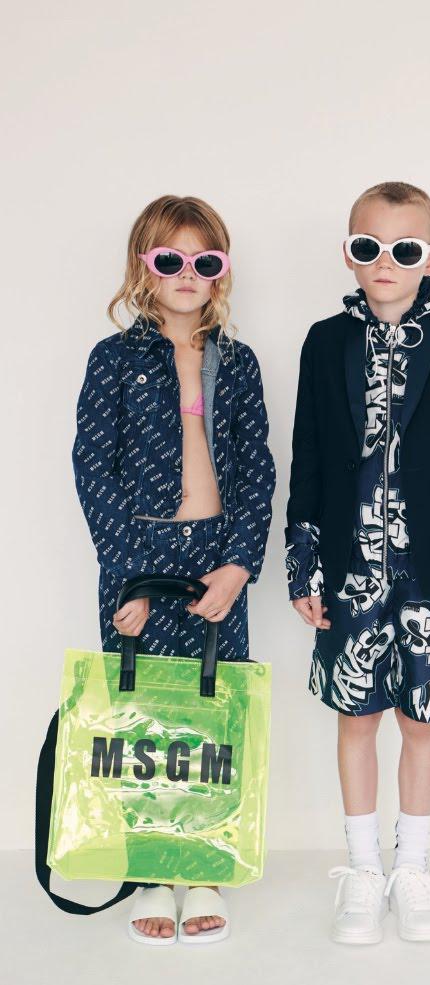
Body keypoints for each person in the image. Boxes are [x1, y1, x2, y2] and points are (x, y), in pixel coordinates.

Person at [285, 181, 430, 945]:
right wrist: (304, 562)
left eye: (404, 249)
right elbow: (307, 455)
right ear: (348, 254)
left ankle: (412, 868)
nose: (385, 262)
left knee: (420, 720)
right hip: (348, 570)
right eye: (367, 246)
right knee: (356, 717)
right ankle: (362, 868)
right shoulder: (324, 342)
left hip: (429, 574)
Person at [72, 194, 276, 944]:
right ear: (143, 267)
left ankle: (203, 865)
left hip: (216, 556)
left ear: (221, 271)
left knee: (210, 710)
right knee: (143, 714)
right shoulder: (114, 358)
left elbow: (258, 469)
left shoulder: (238, 361)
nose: (187, 273)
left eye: (204, 260)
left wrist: (239, 565)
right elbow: (93, 467)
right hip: (140, 555)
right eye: (170, 259)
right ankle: (152, 870)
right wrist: (127, 576)